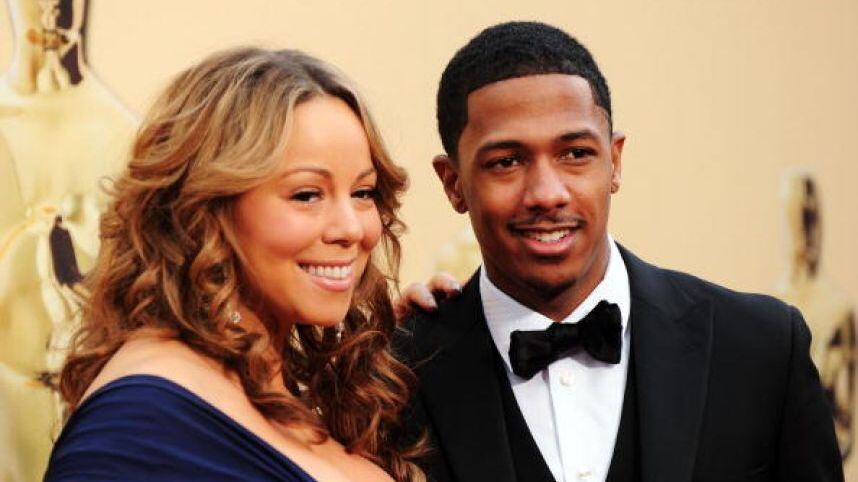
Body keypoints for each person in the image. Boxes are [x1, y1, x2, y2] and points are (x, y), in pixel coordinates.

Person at [397, 21, 844, 482]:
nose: (547, 194)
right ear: (453, 183)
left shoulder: (762, 348)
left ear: (615, 161)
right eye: (506, 162)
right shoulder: (391, 376)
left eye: (575, 154)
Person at [44, 47, 426, 482]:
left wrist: (447, 334)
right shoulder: (138, 424)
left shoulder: (287, 391)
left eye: (363, 193)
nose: (351, 229)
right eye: (307, 195)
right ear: (206, 208)